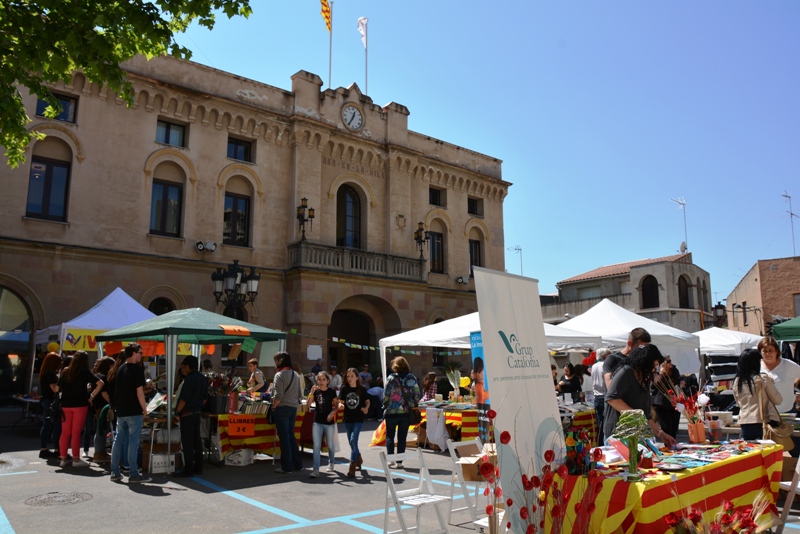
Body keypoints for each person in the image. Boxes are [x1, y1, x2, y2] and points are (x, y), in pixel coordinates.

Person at [604, 344, 676, 448]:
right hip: (618, 433)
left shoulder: (645, 379)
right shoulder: (626, 371)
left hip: (634, 434)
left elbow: (645, 415)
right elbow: (612, 398)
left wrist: (661, 434)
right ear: (645, 362)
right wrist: (635, 414)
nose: (655, 369)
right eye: (654, 365)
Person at [110, 343, 150, 483]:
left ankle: (115, 472)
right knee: (133, 443)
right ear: (133, 353)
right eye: (140, 352)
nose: (141, 355)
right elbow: (139, 392)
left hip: (121, 410)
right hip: (133, 411)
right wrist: (144, 408)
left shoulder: (121, 368)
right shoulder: (137, 370)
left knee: (118, 440)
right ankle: (133, 473)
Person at [58, 350, 104, 468]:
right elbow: (100, 383)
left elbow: (58, 388)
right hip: (80, 404)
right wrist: (91, 396)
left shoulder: (65, 371)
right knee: (76, 433)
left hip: (65, 405)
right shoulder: (84, 372)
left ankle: (63, 458)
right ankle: (75, 459)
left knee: (65, 432)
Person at [734, 348, 782, 440]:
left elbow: (738, 403)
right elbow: (778, 400)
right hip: (763, 422)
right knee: (766, 452)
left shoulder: (737, 381)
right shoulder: (762, 379)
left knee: (750, 451)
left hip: (745, 423)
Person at [382, 356, 421, 468]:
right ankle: (399, 462)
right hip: (406, 412)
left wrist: (384, 405)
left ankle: (390, 460)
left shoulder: (391, 378)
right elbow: (417, 395)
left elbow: (386, 394)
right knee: (402, 437)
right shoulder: (411, 378)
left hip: (391, 412)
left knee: (390, 436)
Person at [175, 355, 208, 477]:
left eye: (184, 367)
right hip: (197, 412)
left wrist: (177, 412)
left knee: (187, 442)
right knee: (196, 440)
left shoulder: (189, 380)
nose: (183, 369)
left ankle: (188, 468)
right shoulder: (202, 378)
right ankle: (198, 467)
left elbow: (183, 399)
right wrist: (198, 407)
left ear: (188, 366)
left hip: (187, 414)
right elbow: (205, 398)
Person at [272, 351, 304, 474]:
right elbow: (300, 394)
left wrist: (274, 406)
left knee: (284, 437)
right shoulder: (295, 374)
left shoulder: (279, 375)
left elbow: (278, 396)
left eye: (276, 360)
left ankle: (286, 466)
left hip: (282, 407)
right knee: (291, 436)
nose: (275, 363)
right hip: (293, 407)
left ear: (280, 361)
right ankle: (298, 464)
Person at [339, 367, 370, 478]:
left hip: (358, 419)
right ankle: (359, 457)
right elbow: (341, 401)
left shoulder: (361, 389)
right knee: (352, 443)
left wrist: (366, 408)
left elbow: (367, 401)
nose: (349, 378)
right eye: (348, 376)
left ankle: (352, 466)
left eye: (352, 376)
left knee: (353, 439)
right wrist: (340, 405)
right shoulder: (344, 388)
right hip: (347, 419)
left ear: (357, 377)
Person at [307, 371, 339, 478]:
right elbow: (308, 405)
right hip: (317, 421)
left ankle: (331, 462)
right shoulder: (316, 392)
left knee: (330, 444)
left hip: (328, 422)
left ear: (328, 381)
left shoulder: (331, 392)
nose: (321, 382)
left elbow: (336, 405)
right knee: (316, 446)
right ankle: (316, 469)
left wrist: (332, 413)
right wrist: (311, 392)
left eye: (323, 380)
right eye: (319, 380)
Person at [89, 356, 114, 462]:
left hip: (98, 406)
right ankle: (98, 453)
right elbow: (104, 394)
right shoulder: (103, 377)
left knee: (101, 429)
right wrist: (112, 403)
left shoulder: (98, 375)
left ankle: (100, 451)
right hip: (102, 406)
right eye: (112, 366)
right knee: (101, 430)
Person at [38, 352, 62, 459]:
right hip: (50, 401)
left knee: (47, 424)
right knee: (53, 424)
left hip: (46, 400)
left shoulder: (44, 372)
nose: (60, 364)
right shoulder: (50, 374)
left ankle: (44, 448)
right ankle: (52, 449)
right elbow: (54, 389)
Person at [651, 356, 681, 439]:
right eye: (668, 361)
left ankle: (673, 445)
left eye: (670, 360)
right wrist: (663, 373)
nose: (670, 362)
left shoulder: (674, 370)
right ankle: (668, 447)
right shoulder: (655, 372)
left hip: (675, 403)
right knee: (667, 428)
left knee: (674, 428)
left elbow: (677, 384)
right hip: (662, 404)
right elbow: (657, 383)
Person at [591, 348, 610, 445]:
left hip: (597, 397)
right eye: (608, 355)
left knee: (600, 424)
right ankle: (605, 444)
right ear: (605, 356)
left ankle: (600, 444)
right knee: (607, 423)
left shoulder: (594, 366)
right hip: (605, 396)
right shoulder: (606, 365)